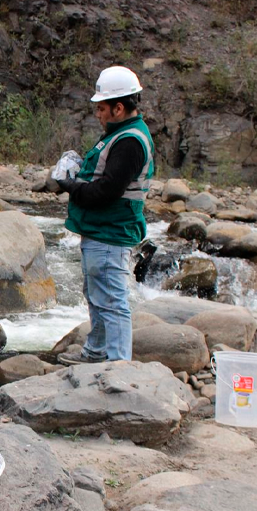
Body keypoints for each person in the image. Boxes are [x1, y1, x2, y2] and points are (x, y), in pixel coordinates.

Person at [54, 65, 155, 365]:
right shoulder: (120, 134)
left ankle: (118, 365)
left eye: (101, 108)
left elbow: (107, 191)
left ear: (119, 107)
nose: (97, 114)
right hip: (102, 231)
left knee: (111, 300)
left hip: (111, 232)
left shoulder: (129, 141)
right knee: (98, 294)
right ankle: (96, 353)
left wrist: (70, 186)